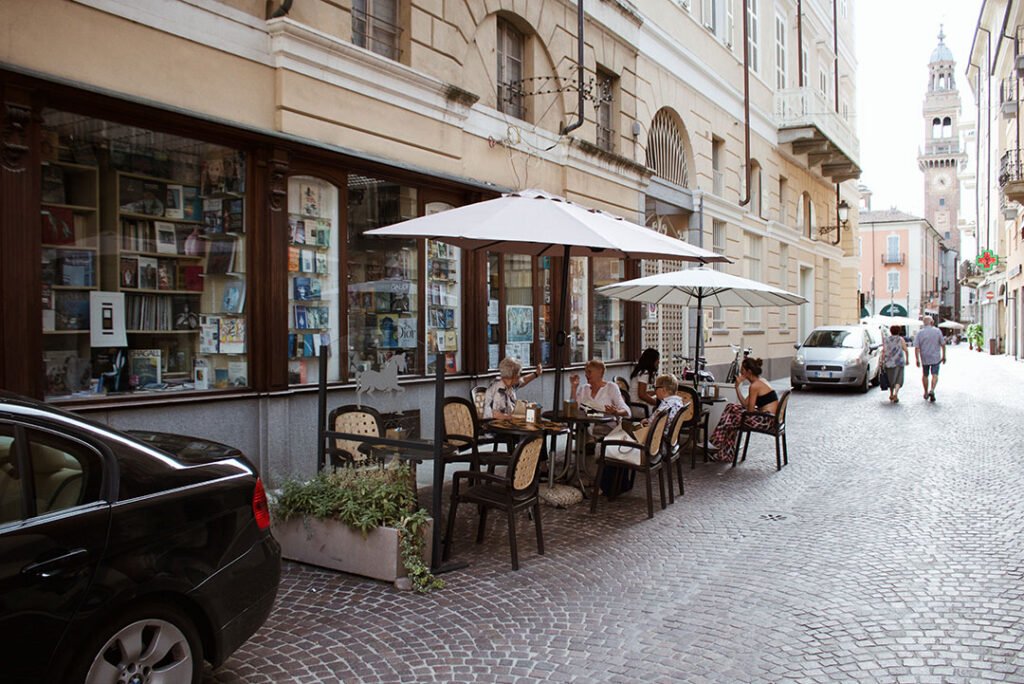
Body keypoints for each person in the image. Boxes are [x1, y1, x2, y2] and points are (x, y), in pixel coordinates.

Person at [709, 357, 778, 463]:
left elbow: (749, 411)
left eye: (742, 371)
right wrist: (737, 387)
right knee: (731, 408)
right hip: (769, 418)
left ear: (749, 372)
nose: (740, 373)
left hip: (767, 421)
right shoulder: (760, 382)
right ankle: (723, 451)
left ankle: (720, 446)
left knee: (731, 416)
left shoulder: (754, 386)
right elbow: (745, 404)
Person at [914, 315, 946, 402]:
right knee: (935, 375)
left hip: (924, 357)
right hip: (935, 357)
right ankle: (932, 389)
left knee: (925, 375)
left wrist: (917, 359)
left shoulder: (920, 333)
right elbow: (943, 344)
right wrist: (944, 356)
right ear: (931, 322)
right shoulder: (937, 331)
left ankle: (925, 392)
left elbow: (917, 347)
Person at [628, 348, 660, 414]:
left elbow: (643, 393)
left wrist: (655, 392)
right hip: (640, 408)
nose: (658, 362)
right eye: (657, 359)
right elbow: (642, 395)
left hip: (635, 405)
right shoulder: (645, 373)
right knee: (664, 410)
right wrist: (658, 403)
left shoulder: (641, 371)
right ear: (651, 361)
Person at [882, 324, 908, 403]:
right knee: (898, 379)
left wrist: (882, 360)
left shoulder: (886, 339)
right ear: (899, 331)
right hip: (899, 362)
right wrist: (907, 359)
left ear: (890, 331)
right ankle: (896, 393)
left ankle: (891, 393)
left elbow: (884, 350)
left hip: (889, 362)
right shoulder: (900, 339)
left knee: (891, 379)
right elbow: (906, 349)